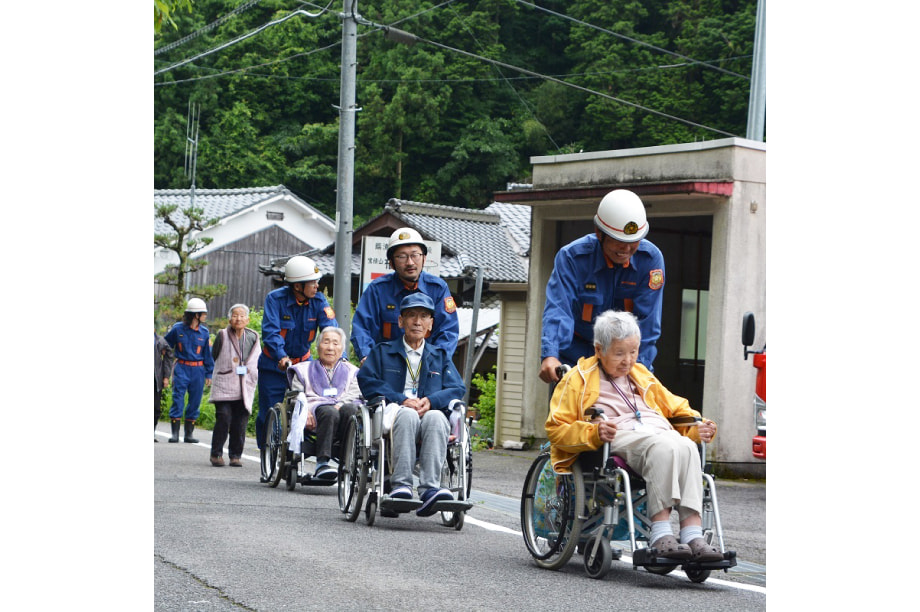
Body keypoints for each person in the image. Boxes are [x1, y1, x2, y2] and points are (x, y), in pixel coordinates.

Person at [544, 310, 723, 562]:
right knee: (663, 446)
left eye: (633, 352)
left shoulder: (641, 375)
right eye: (619, 353)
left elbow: (676, 408)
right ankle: (660, 533)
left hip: (657, 431)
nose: (627, 361)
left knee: (686, 445)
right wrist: (593, 432)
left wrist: (697, 427)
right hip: (618, 433)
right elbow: (556, 429)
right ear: (599, 349)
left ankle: (692, 533)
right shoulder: (578, 378)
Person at [539, 189, 665, 384]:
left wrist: (638, 369)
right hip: (577, 355)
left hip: (625, 360)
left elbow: (648, 325)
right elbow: (558, 309)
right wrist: (550, 354)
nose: (626, 249)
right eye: (619, 242)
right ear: (599, 233)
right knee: (571, 402)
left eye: (633, 242)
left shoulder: (650, 260)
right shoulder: (572, 258)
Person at [357, 293, 465, 517]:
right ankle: (401, 485)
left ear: (430, 324)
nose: (417, 321)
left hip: (428, 414)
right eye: (411, 315)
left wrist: (432, 401)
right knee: (407, 415)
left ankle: (430, 489)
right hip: (393, 413)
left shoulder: (439, 355)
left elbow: (457, 388)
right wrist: (400, 399)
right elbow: (366, 380)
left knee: (437, 416)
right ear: (401, 321)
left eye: (424, 316)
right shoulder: (382, 351)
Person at [257, 255, 338, 450]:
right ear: (297, 286)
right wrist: (281, 356)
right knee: (268, 410)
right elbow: (271, 332)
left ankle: (300, 448)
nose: (317, 286)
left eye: (317, 281)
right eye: (312, 282)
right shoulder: (275, 299)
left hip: (303, 366)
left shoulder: (319, 301)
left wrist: (337, 356)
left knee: (308, 407)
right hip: (274, 365)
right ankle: (267, 452)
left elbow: (330, 329)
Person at [351, 227, 459, 364]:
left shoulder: (438, 289)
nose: (410, 262)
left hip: (426, 364)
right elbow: (362, 328)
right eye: (402, 256)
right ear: (391, 263)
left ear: (424, 258)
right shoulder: (378, 289)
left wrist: (437, 362)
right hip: (385, 365)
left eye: (415, 255)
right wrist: (367, 357)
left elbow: (448, 331)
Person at [285, 327, 361, 481]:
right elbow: (297, 395)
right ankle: (322, 463)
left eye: (335, 343)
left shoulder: (352, 371)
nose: (330, 348)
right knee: (329, 412)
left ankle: (348, 461)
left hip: (343, 412)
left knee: (351, 409)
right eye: (326, 342)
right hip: (315, 412)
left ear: (342, 349)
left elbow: (355, 393)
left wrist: (339, 405)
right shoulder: (303, 369)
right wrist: (304, 411)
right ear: (318, 346)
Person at [209, 304, 260, 467]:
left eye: (242, 316)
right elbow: (214, 355)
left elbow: (256, 358)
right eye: (235, 315)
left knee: (240, 422)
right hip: (225, 384)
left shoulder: (253, 337)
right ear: (229, 319)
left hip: (245, 386)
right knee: (223, 417)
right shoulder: (222, 335)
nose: (238, 319)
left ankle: (235, 455)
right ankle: (216, 454)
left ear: (248, 319)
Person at [164, 297, 214, 443]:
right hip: (181, 367)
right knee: (178, 398)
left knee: (195, 401)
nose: (205, 316)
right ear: (196, 315)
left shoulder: (204, 333)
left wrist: (209, 373)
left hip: (198, 370)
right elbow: (165, 345)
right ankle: (175, 434)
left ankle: (188, 435)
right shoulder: (177, 329)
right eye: (203, 313)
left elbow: (208, 355)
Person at [155, 331, 175, 442]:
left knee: (156, 408)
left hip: (155, 379)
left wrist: (166, 377)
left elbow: (169, 356)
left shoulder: (160, 341)